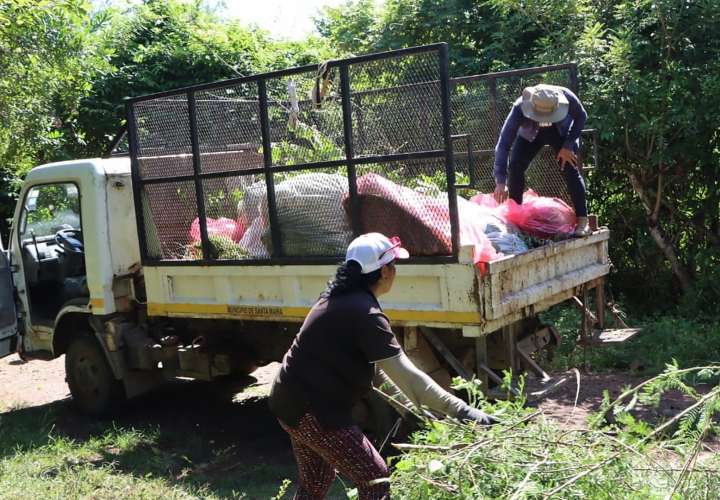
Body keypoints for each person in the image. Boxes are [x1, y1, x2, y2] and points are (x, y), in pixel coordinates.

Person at [269, 233, 496, 500]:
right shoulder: (365, 314)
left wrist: (411, 409)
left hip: (288, 398)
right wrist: (464, 412)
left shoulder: (341, 299)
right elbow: (408, 376)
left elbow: (378, 370)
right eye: (394, 265)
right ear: (384, 271)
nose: (396, 271)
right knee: (376, 479)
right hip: (312, 409)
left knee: (316, 481)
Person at [493, 84, 590, 236]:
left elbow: (582, 116)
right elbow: (504, 143)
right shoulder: (519, 107)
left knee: (570, 168)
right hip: (530, 134)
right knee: (515, 166)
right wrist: (500, 181)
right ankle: (515, 220)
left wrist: (568, 145)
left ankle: (583, 221)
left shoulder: (568, 97)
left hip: (561, 133)